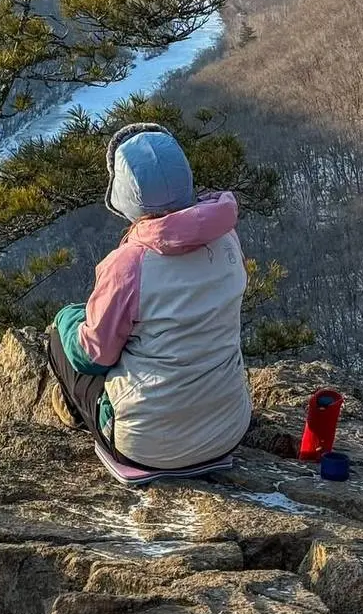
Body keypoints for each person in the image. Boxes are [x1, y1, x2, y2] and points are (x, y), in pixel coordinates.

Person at [47, 122, 251, 470]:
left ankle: (80, 413)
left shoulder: (129, 265)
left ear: (125, 195)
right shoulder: (227, 238)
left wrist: (69, 319)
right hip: (229, 429)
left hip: (146, 446)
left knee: (60, 332)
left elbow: (92, 357)